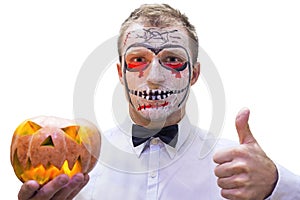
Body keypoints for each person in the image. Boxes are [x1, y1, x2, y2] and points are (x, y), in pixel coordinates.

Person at [18, 3, 300, 200]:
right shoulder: (79, 163)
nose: (154, 77)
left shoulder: (237, 166)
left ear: (194, 74)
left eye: (172, 60)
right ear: (121, 73)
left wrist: (276, 185)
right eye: (138, 59)